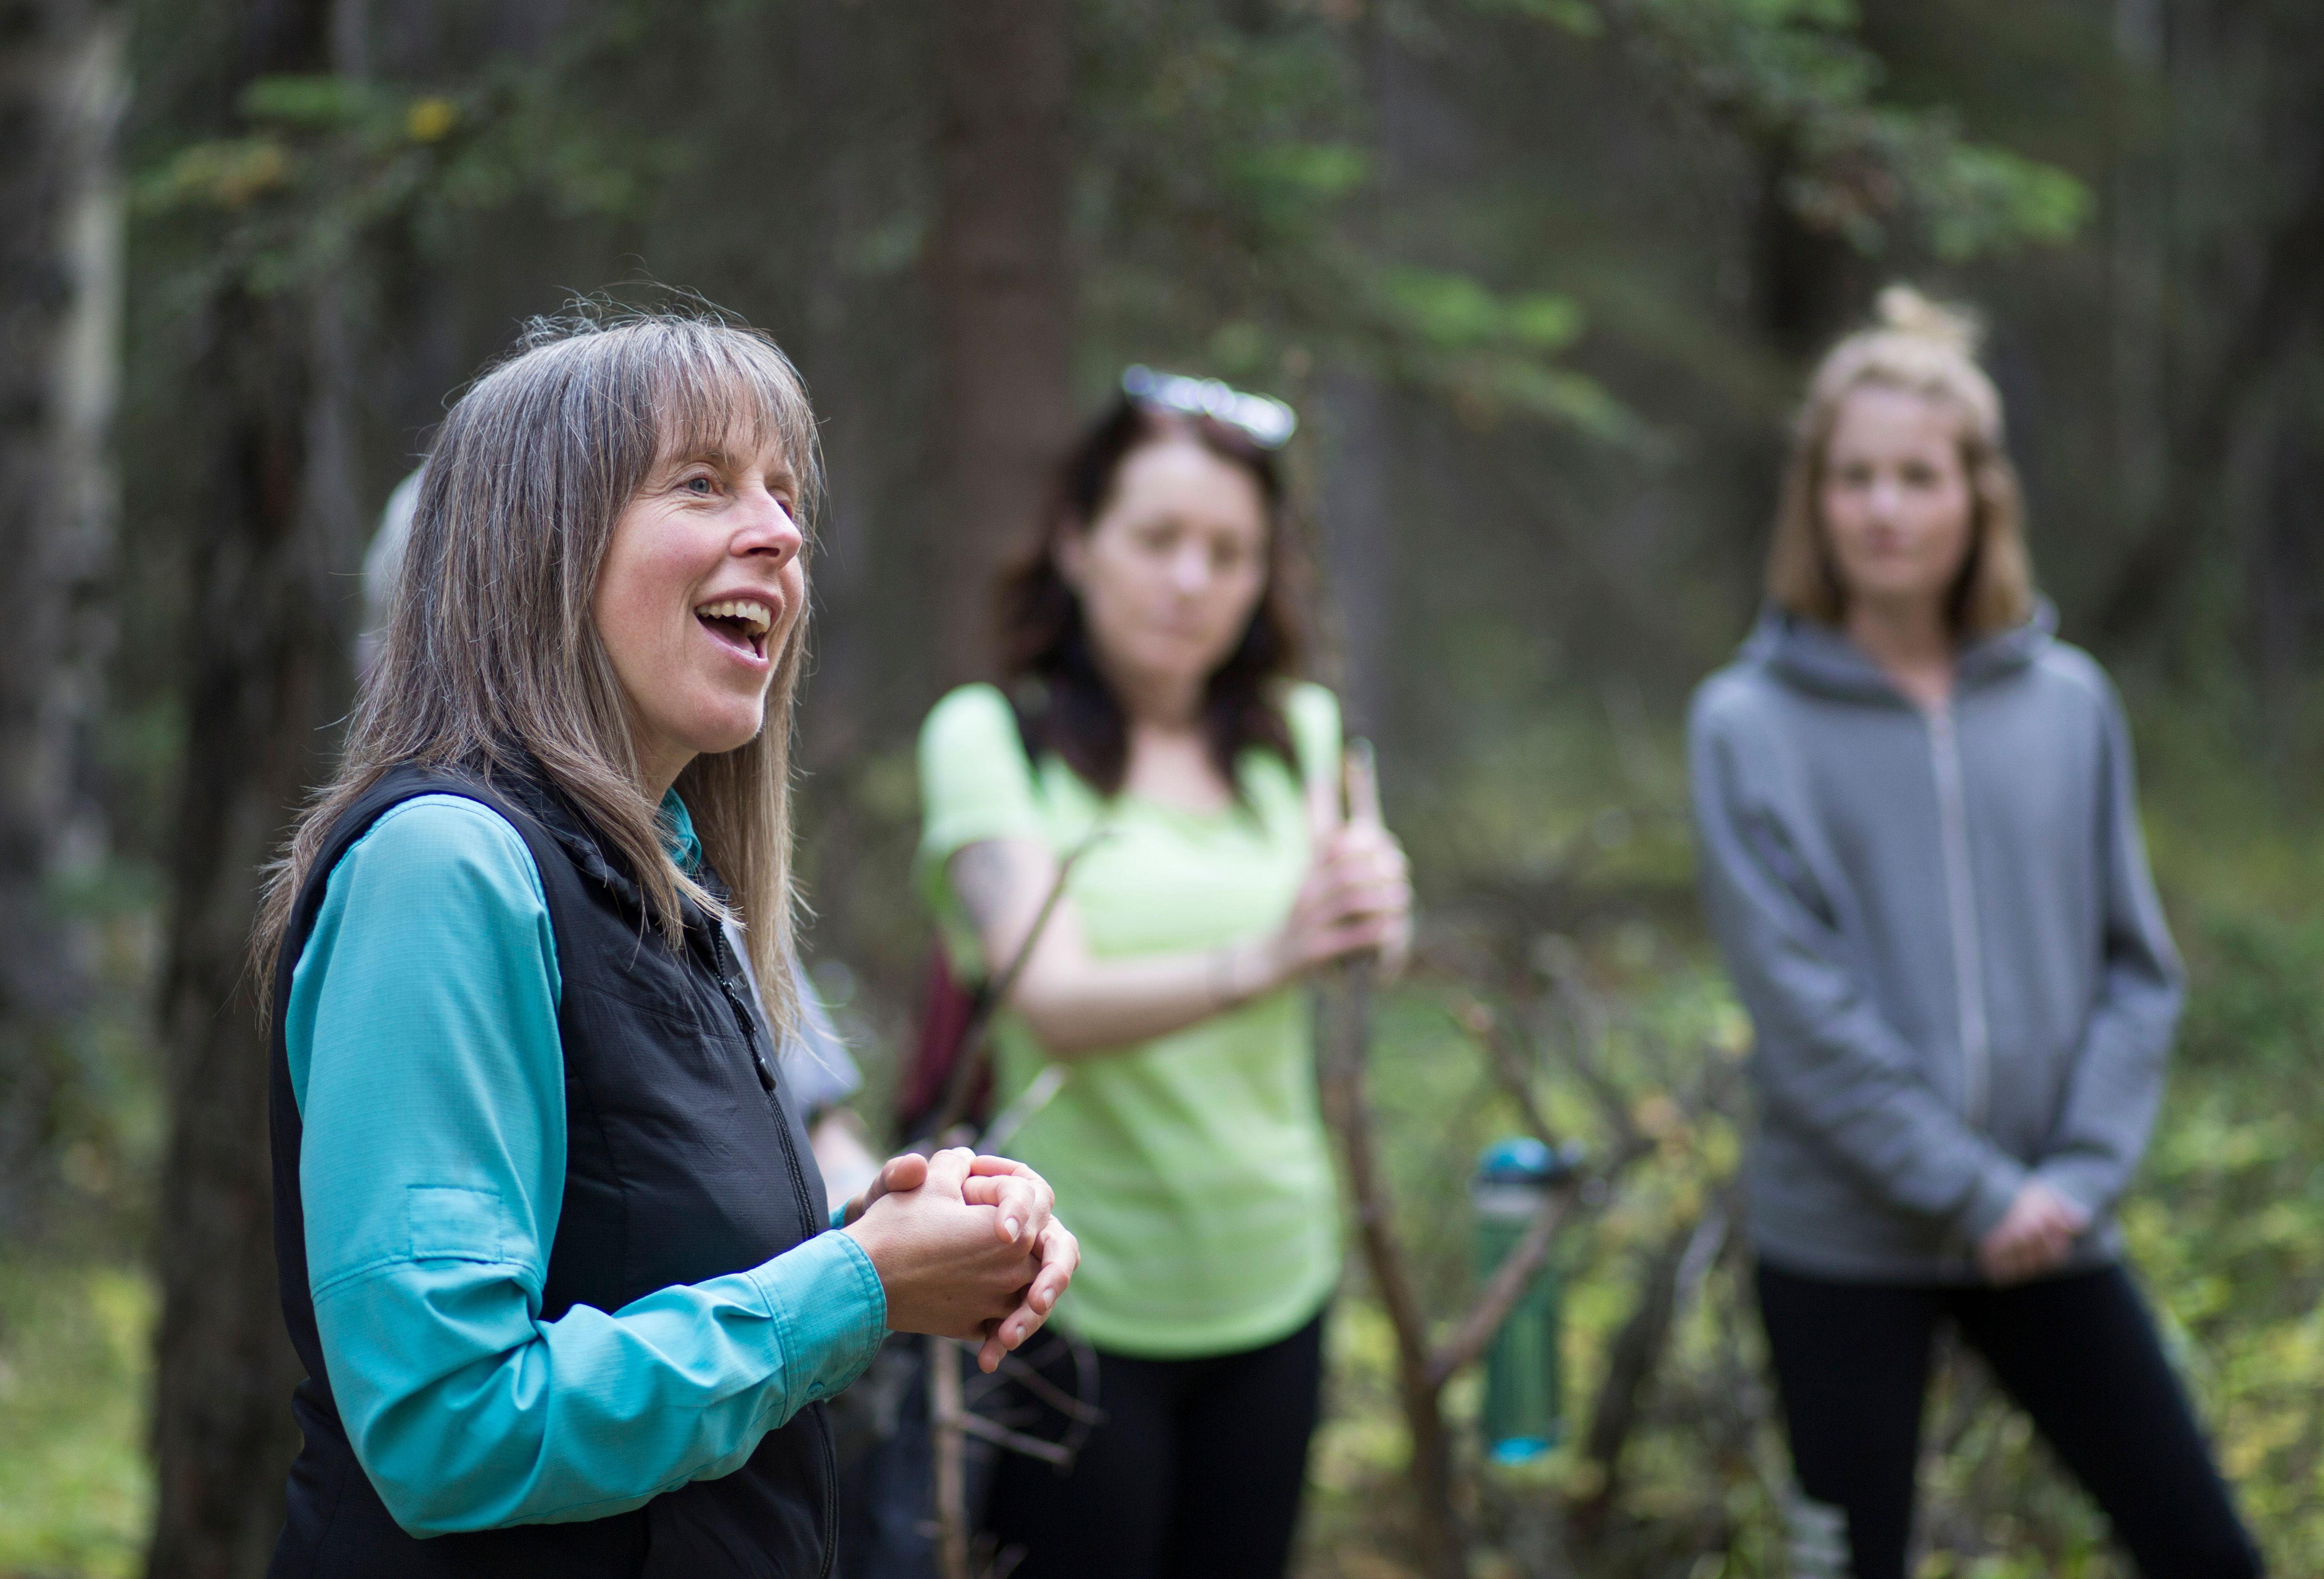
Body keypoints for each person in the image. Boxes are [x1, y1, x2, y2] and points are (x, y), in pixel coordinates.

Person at [254, 309, 1077, 1578]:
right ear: (541, 550)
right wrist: (854, 1286)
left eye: (784, 494)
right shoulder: (444, 869)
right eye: (702, 483)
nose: (782, 534)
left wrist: (921, 1232)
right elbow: (450, 1428)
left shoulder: (676, 880)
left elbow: (650, 1266)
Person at [1689, 287, 2262, 1579]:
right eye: (1854, 478)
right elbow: (1802, 1012)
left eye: (1916, 476)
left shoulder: (2068, 706)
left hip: (2055, 1228)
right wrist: (1975, 1190)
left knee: (2206, 1550)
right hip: (1843, 1244)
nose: (1885, 509)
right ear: (1814, 499)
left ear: (1977, 493)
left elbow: (2139, 967)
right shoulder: (1746, 723)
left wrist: (2072, 1181)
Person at [912, 373, 1413, 1579]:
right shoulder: (992, 738)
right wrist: (1272, 952)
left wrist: (1379, 909)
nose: (1194, 581)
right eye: (1159, 539)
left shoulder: (1299, 734)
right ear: (1078, 543)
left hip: (1275, 1278)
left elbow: (1370, 955)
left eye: (1231, 552)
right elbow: (1054, 999)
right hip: (1070, 1295)